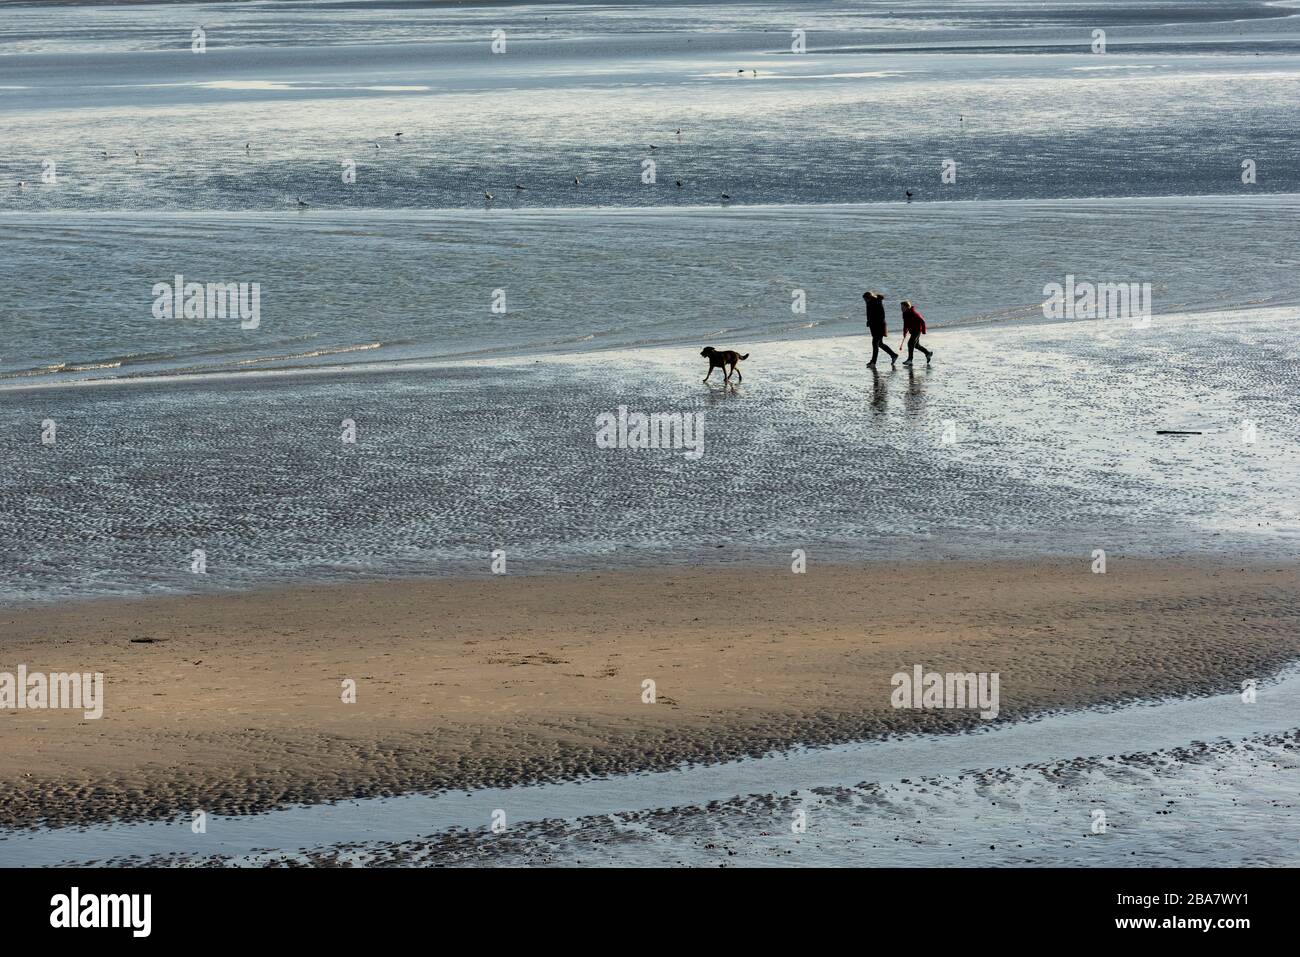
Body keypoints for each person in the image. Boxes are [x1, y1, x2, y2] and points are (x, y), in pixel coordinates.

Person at [863, 291, 896, 367]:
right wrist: (869, 321)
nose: (865, 301)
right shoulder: (869, 303)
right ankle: (893, 355)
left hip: (879, 326)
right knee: (880, 344)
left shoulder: (877, 303)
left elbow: (882, 316)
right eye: (864, 300)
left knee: (875, 343)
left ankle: (873, 362)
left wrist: (873, 322)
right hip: (874, 326)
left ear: (869, 298)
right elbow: (870, 314)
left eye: (865, 299)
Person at [899, 300, 933, 365]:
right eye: (901, 307)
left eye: (903, 307)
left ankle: (910, 360)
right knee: (916, 345)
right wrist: (904, 332)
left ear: (908, 307)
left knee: (910, 343)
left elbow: (922, 321)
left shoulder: (914, 313)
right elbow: (905, 323)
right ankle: (928, 353)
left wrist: (923, 331)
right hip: (912, 330)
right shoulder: (904, 314)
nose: (901, 309)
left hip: (917, 330)